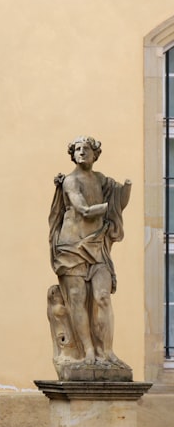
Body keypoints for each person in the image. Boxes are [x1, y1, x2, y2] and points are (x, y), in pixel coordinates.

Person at [48, 136, 131, 368]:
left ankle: (107, 352)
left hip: (97, 245)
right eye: (77, 149)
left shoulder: (102, 180)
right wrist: (105, 207)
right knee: (76, 299)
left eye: (86, 148)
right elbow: (83, 208)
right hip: (72, 247)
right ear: (73, 155)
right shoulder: (70, 181)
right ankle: (88, 352)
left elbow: (120, 201)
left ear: (95, 155)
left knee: (102, 297)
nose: (82, 152)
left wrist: (127, 186)